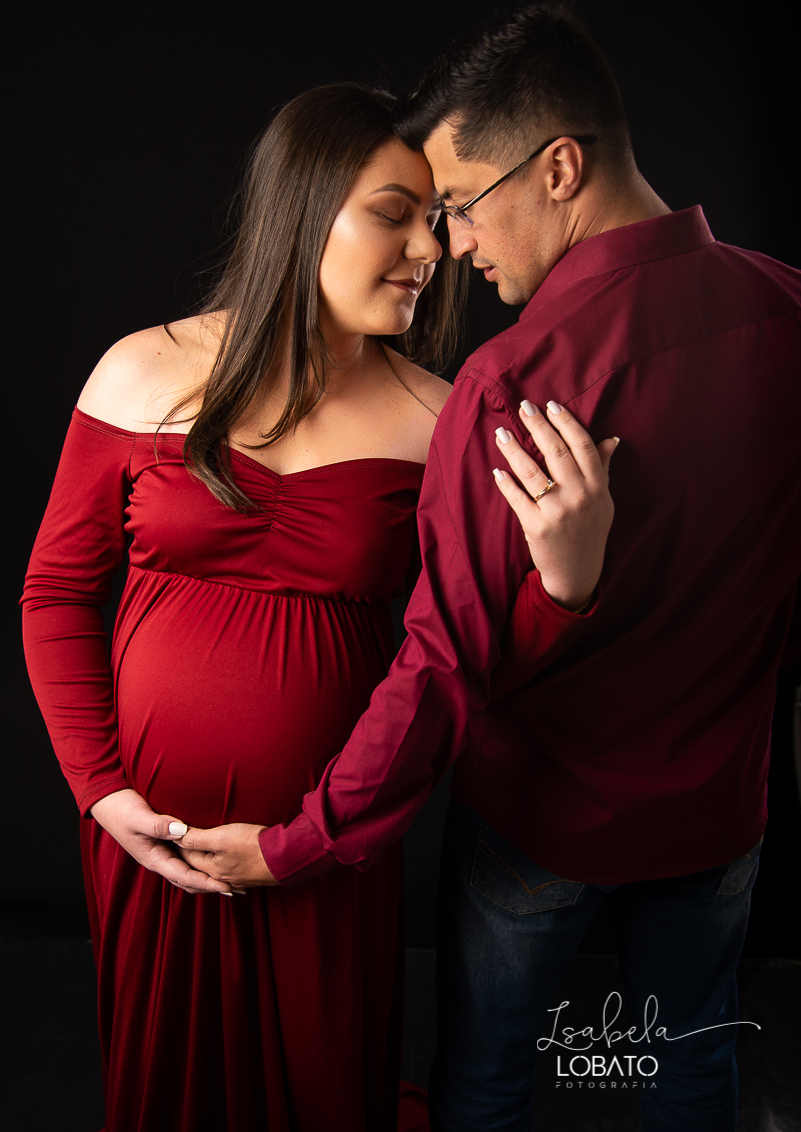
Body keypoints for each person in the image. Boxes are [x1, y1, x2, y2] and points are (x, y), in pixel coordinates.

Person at [178, 5, 801, 1131]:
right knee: (689, 1077)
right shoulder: (786, 310)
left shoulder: (515, 382)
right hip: (719, 815)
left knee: (486, 1085)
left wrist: (300, 842)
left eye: (462, 203)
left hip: (543, 824)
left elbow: (441, 664)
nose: (452, 243)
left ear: (559, 168)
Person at [22, 82, 616, 1132]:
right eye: (395, 214)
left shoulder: (441, 421)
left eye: (439, 217)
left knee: (323, 1090)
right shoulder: (141, 370)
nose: (431, 249)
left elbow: (475, 657)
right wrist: (100, 791)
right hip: (149, 838)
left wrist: (568, 581)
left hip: (325, 841)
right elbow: (56, 593)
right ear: (301, 210)